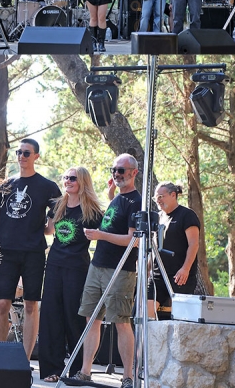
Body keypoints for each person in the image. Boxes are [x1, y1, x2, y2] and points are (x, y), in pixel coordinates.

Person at [0, 138, 62, 359]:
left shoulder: (47, 186)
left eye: (26, 153)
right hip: (7, 252)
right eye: (18, 152)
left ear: (36, 156)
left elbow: (60, 210)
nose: (21, 156)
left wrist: (49, 227)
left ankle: (25, 358)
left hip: (33, 252)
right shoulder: (7, 185)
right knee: (3, 303)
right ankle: (0, 357)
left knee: (31, 304)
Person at [76, 154, 142, 388]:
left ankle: (128, 376)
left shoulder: (136, 201)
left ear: (134, 172)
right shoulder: (118, 198)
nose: (116, 174)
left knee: (120, 321)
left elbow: (133, 240)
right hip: (97, 266)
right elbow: (116, 220)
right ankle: (85, 372)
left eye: (121, 170)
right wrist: (111, 195)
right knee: (91, 318)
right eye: (114, 169)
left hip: (120, 269)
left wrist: (100, 235)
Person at [38, 167, 104, 383]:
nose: (68, 181)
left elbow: (105, 236)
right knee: (51, 316)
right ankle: (51, 369)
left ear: (82, 181)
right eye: (65, 177)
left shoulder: (92, 211)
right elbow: (48, 230)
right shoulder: (57, 205)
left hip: (77, 268)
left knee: (74, 318)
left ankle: (77, 369)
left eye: (72, 178)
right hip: (54, 265)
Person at [148, 182, 201, 317]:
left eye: (161, 196)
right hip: (158, 275)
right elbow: (155, 246)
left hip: (180, 275)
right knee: (144, 312)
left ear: (173, 195)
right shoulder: (158, 217)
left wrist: (185, 269)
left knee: (179, 317)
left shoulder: (187, 215)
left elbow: (194, 244)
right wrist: (147, 268)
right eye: (155, 197)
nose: (158, 200)